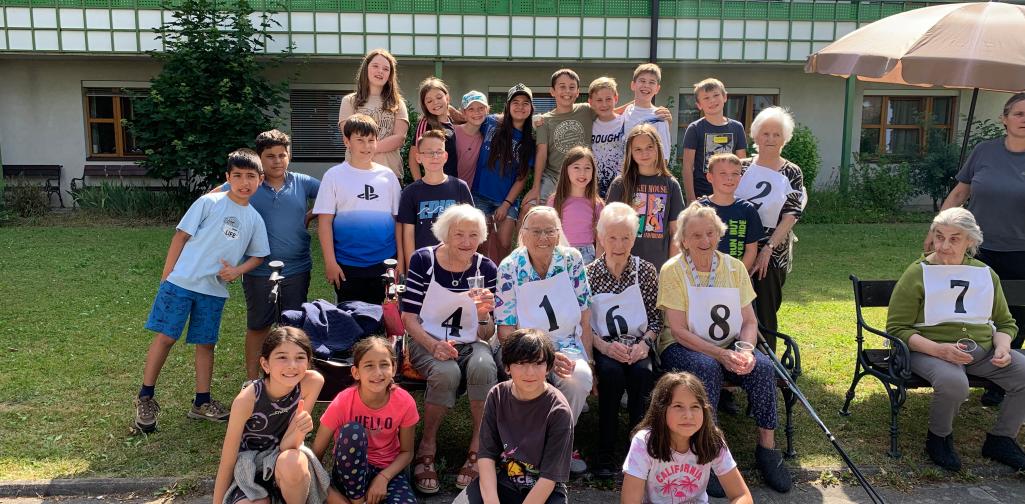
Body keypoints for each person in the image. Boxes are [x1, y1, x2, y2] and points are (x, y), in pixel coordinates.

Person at [656, 202, 792, 495]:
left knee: (763, 367)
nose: (705, 241)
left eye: (710, 234)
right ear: (683, 241)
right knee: (706, 368)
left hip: (729, 344)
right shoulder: (673, 270)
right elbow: (678, 330)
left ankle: (767, 449)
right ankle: (712, 454)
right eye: (696, 236)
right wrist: (719, 354)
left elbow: (749, 321)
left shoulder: (734, 268)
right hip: (682, 346)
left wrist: (744, 351)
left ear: (719, 234)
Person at [133, 149, 270, 433]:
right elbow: (180, 236)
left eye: (250, 177)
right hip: (181, 284)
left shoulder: (255, 218)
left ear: (260, 179)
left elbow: (259, 255)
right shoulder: (209, 202)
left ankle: (201, 402)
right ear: (227, 178)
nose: (244, 182)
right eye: (237, 176)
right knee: (167, 337)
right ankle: (145, 396)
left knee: (206, 344)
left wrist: (237, 271)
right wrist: (166, 276)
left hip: (214, 291)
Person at [887, 207, 1025, 472]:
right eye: (939, 237)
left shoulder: (985, 274)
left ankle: (1002, 439)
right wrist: (939, 350)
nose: (944, 245)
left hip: (982, 352)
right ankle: (939, 438)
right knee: (954, 382)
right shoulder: (918, 273)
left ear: (970, 241)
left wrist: (1003, 347)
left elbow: (1006, 323)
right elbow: (897, 328)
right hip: (927, 350)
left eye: (954, 239)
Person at [931, 93, 1025, 407]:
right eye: (1019, 113)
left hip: (1020, 253)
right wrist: (938, 229)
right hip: (976, 250)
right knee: (972, 310)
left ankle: (1000, 377)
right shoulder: (984, 151)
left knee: (1014, 315)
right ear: (1005, 118)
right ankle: (962, 363)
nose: (1024, 119)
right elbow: (959, 192)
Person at [400, 204, 500, 493]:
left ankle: (478, 448)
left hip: (470, 342)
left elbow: (487, 332)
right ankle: (427, 446)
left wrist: (483, 313)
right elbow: (408, 318)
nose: (467, 242)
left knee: (484, 365)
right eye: (459, 235)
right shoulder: (424, 260)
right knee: (445, 372)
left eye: (473, 235)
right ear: (446, 234)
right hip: (426, 338)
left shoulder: (485, 268)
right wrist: (434, 345)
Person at [214, 130, 321, 381]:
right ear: (259, 158)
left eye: (282, 155)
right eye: (270, 156)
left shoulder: (302, 182)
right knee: (259, 325)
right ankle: (252, 380)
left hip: (297, 267)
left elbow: (335, 194)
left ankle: (289, 378)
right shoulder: (249, 182)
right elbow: (211, 199)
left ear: (289, 156)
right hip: (257, 269)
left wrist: (312, 213)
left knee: (293, 327)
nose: (277, 161)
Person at [495, 205, 593, 473]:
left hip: (567, 344)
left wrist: (589, 358)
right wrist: (542, 358)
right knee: (531, 377)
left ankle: (559, 443)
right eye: (536, 231)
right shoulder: (510, 267)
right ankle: (531, 448)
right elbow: (505, 330)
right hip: (525, 349)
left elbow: (585, 316)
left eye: (550, 231)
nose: (543, 238)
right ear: (523, 234)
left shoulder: (571, 260)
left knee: (579, 378)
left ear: (558, 233)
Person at [585, 202, 660, 479]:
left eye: (626, 237)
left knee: (643, 375)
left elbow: (655, 319)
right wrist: (603, 347)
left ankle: (638, 452)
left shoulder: (646, 271)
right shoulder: (588, 274)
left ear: (634, 237)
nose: (619, 244)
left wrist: (645, 345)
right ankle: (604, 453)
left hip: (638, 346)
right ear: (601, 238)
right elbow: (582, 323)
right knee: (611, 375)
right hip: (605, 346)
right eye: (612, 237)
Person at [213, 327, 327, 504]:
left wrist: (299, 430)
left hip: (283, 464)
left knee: (293, 462)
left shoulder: (312, 383)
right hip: (250, 469)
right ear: (265, 364)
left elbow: (287, 446)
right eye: (282, 357)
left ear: (308, 362)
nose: (292, 365)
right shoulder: (247, 400)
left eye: (300, 357)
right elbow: (227, 462)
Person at [466, 328, 574, 504]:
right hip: (502, 480)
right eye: (521, 363)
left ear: (548, 368)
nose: (530, 372)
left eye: (538, 363)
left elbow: (549, 477)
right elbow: (486, 455)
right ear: (507, 367)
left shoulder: (559, 411)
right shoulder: (497, 395)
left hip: (544, 489)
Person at [312, 337, 420, 504]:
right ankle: (358, 501)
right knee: (353, 432)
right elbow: (316, 453)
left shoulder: (405, 402)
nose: (378, 372)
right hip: (348, 475)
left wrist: (383, 478)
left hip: (387, 473)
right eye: (369, 365)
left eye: (384, 364)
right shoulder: (343, 401)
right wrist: (324, 489)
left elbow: (407, 452)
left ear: (393, 368)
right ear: (356, 372)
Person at [620, 372, 752, 504]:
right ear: (661, 410)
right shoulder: (644, 442)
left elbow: (741, 495)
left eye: (695, 406)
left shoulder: (711, 440)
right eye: (678, 406)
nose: (688, 415)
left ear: (704, 410)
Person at [313, 114, 402, 305]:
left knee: (386, 321)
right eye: (360, 140)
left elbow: (398, 222)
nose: (366, 146)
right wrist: (330, 262)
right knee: (350, 322)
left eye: (371, 140)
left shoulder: (388, 176)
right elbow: (325, 223)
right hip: (347, 265)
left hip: (385, 263)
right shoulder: (334, 176)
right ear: (347, 141)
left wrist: (400, 260)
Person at [737, 106, 806, 349]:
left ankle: (767, 364)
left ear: (784, 139)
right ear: (755, 136)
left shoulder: (792, 172)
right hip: (737, 250)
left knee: (766, 312)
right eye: (765, 133)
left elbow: (792, 212)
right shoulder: (740, 167)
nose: (770, 139)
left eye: (777, 134)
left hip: (772, 254)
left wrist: (767, 248)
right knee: (734, 310)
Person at [606, 124, 685, 270]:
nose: (645, 153)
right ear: (630, 152)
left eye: (649, 147)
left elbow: (676, 232)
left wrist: (671, 269)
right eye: (638, 149)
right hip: (624, 266)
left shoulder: (671, 185)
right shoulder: (620, 184)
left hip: (658, 266)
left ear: (658, 148)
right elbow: (607, 229)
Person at [397, 129, 473, 268]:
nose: (434, 156)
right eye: (429, 152)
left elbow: (472, 227)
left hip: (455, 262)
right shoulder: (410, 192)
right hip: (423, 263)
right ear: (418, 157)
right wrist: (412, 268)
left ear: (445, 156)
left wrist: (466, 263)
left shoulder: (460, 187)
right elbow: (408, 235)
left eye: (439, 152)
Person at [524, 68, 596, 208]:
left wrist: (646, 109)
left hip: (582, 175)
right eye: (562, 87)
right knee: (533, 208)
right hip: (553, 177)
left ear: (577, 92)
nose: (567, 91)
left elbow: (612, 113)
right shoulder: (544, 121)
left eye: (571, 87)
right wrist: (535, 187)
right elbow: (542, 153)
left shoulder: (586, 110)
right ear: (552, 91)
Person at [338, 48, 410, 180]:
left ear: (390, 75)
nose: (380, 71)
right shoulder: (349, 101)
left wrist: (367, 147)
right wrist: (372, 147)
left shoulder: (398, 103)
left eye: (386, 69)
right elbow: (349, 137)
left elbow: (399, 138)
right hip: (355, 173)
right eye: (375, 66)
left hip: (390, 175)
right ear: (366, 69)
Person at [681, 78, 748, 202]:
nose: (712, 100)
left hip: (730, 193)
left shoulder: (737, 127)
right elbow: (687, 166)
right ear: (699, 105)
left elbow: (742, 164)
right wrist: (690, 197)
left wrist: (740, 194)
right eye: (706, 98)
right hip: (702, 194)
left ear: (725, 97)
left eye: (716, 95)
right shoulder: (694, 128)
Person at [699, 153, 763, 278]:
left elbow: (751, 250)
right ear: (710, 177)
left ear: (740, 177)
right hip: (703, 280)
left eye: (735, 174)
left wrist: (737, 276)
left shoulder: (748, 210)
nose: (729, 178)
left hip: (737, 280)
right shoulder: (698, 209)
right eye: (723, 173)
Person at [547, 146, 604, 264]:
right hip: (561, 254)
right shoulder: (554, 201)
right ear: (566, 170)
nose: (582, 173)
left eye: (587, 168)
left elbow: (601, 238)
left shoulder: (597, 204)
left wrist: (598, 261)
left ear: (593, 171)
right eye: (576, 167)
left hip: (588, 257)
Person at [408, 76, 459, 180]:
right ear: (425, 105)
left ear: (447, 97)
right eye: (429, 101)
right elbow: (414, 159)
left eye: (439, 97)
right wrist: (420, 185)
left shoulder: (452, 121)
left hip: (453, 184)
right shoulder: (425, 123)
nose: (435, 102)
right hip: (433, 185)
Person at [621, 63, 672, 159]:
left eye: (652, 82)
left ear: (657, 89)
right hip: (626, 172)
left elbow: (664, 156)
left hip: (648, 173)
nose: (646, 85)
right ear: (633, 85)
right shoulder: (627, 111)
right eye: (642, 81)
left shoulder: (659, 117)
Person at [588, 77, 626, 199]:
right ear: (591, 102)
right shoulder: (589, 125)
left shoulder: (625, 122)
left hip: (622, 186)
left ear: (616, 98)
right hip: (595, 188)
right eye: (599, 100)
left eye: (608, 99)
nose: (604, 104)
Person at [455, 91, 489, 189]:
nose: (476, 112)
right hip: (449, 189)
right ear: (464, 113)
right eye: (471, 109)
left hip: (470, 193)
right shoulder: (452, 132)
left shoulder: (486, 136)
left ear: (487, 110)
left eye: (481, 108)